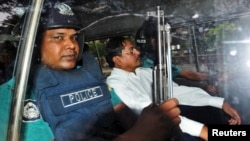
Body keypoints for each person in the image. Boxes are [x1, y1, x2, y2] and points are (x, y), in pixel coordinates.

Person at [0, 2, 183, 141]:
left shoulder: (89, 75)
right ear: (34, 45)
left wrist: (153, 120)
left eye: (74, 37)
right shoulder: (14, 95)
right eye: (58, 37)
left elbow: (122, 112)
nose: (71, 45)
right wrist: (139, 135)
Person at [105, 36, 242, 140]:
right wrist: (204, 131)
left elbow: (177, 92)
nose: (138, 52)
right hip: (151, 135)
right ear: (117, 60)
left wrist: (220, 102)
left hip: (171, 126)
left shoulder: (146, 73)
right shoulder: (115, 84)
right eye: (131, 51)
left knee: (211, 112)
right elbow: (157, 115)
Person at [135, 17, 218, 95]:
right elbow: (189, 76)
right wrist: (208, 84)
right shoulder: (149, 64)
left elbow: (185, 75)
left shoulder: (155, 60)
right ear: (153, 41)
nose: (168, 42)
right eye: (165, 37)